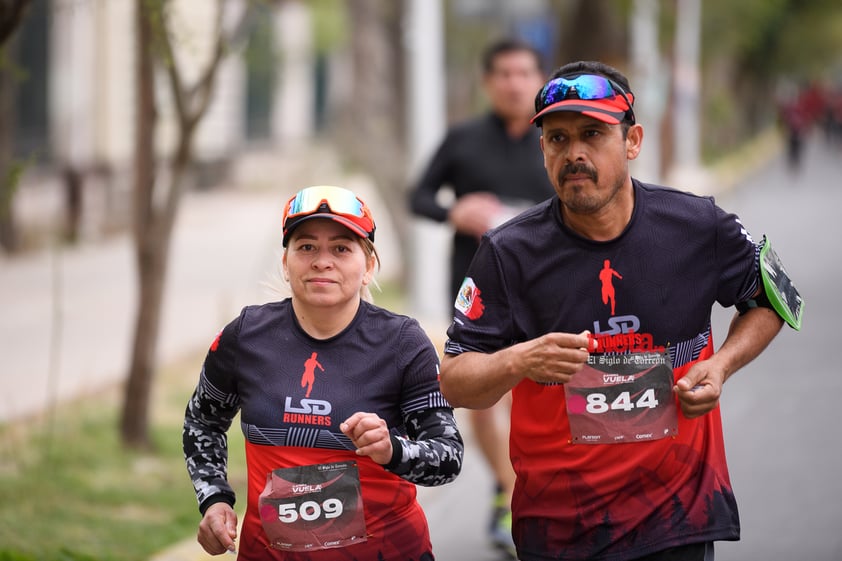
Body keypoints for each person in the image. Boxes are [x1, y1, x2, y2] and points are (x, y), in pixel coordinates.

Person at [439, 60, 801, 561]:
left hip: (678, 514)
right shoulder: (507, 253)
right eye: (558, 139)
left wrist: (720, 366)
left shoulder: (698, 225)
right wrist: (520, 360)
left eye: (593, 134)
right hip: (559, 525)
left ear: (632, 142)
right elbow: (454, 380)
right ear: (542, 148)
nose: (574, 154)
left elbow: (773, 300)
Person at [183, 185, 464, 560]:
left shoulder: (402, 342)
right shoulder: (245, 336)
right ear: (286, 263)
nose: (322, 261)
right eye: (306, 247)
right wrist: (214, 499)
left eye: (342, 248)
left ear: (369, 267)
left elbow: (448, 457)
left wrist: (392, 450)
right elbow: (202, 423)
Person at [408, 37, 553, 556]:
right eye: (504, 74)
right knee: (484, 396)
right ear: (488, 82)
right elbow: (418, 196)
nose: (514, 83)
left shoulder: (555, 138)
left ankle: (537, 489)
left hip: (547, 291)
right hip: (475, 289)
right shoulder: (463, 139)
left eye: (524, 72)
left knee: (542, 390)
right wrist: (454, 211)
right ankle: (508, 490)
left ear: (538, 78)